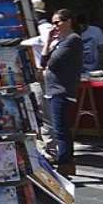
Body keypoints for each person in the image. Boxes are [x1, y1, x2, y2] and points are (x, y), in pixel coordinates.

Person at [41, 9, 83, 175]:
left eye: (57, 22)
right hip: (55, 89)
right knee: (58, 127)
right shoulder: (60, 41)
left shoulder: (73, 40)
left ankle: (65, 163)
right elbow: (43, 60)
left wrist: (50, 48)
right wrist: (48, 41)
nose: (54, 26)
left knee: (60, 129)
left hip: (62, 91)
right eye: (53, 23)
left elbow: (51, 63)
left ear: (69, 21)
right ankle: (66, 163)